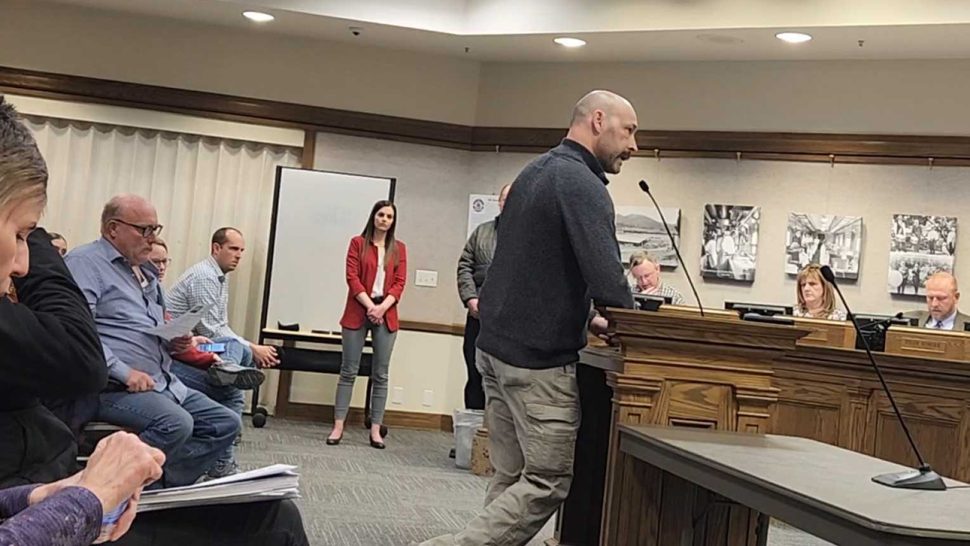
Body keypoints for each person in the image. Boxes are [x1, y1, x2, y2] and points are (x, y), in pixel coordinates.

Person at [417, 90, 637, 546]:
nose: (634, 145)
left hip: (495, 349)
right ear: (598, 120)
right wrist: (626, 322)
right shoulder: (581, 184)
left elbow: (536, 269)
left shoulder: (534, 171)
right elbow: (608, 280)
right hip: (536, 363)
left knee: (510, 476)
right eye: (629, 130)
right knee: (546, 481)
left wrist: (587, 316)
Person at [66, 194, 241, 487]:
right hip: (113, 386)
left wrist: (176, 342)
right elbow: (79, 333)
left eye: (155, 230)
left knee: (226, 423)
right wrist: (124, 371)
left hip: (161, 380)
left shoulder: (144, 270)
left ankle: (154, 486)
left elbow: (154, 327)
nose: (151, 238)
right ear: (113, 229)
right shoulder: (85, 264)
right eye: (144, 230)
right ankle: (103, 489)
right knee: (175, 423)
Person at [165, 227, 267, 477]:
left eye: (242, 251)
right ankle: (222, 461)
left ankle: (226, 370)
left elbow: (218, 327)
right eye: (233, 249)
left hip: (195, 345)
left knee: (236, 350)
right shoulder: (204, 277)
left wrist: (247, 347)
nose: (238, 256)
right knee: (232, 379)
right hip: (175, 355)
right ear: (216, 248)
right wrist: (253, 347)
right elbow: (212, 330)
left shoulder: (219, 276)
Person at [327, 200, 407, 449]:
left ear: (393, 222)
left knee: (380, 374)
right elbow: (352, 277)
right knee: (348, 370)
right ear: (373, 217)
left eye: (389, 216)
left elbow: (400, 283)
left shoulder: (399, 249)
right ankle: (339, 425)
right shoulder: (357, 244)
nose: (384, 219)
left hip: (386, 312)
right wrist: (370, 306)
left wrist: (382, 308)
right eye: (381, 215)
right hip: (358, 310)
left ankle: (375, 430)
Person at [456, 183, 511, 412]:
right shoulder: (482, 232)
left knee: (504, 385)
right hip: (479, 319)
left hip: (510, 327)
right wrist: (471, 299)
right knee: (475, 377)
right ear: (499, 203)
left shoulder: (531, 238)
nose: (510, 203)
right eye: (506, 198)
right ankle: (472, 442)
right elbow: (465, 267)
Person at [905, 271, 970, 330]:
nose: (934, 304)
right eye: (930, 298)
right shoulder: (907, 321)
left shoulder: (966, 327)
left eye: (941, 298)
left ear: (956, 297)